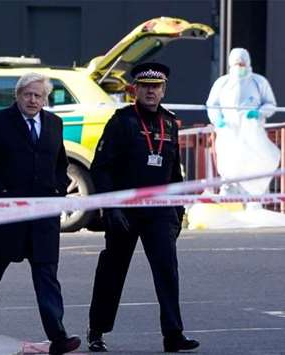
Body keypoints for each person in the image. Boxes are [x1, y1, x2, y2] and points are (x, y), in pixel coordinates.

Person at [0, 72, 80, 355]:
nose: (33, 100)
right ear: (18, 95)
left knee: (47, 274)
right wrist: (0, 195)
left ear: (45, 98)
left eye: (38, 95)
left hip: (44, 216)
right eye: (28, 94)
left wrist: (59, 190)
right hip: (8, 211)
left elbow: (60, 164)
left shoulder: (54, 123)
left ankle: (58, 335)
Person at [86, 62, 199, 352]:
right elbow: (101, 168)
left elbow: (174, 172)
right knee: (113, 270)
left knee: (167, 271)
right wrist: (110, 208)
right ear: (135, 89)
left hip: (160, 211)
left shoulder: (171, 123)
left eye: (156, 86)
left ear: (163, 90)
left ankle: (173, 335)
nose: (151, 91)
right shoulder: (122, 121)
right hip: (124, 209)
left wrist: (178, 212)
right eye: (145, 86)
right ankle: (97, 331)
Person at [206, 48, 279, 197]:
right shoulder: (222, 83)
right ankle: (229, 203)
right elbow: (212, 105)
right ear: (231, 65)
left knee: (256, 165)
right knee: (229, 166)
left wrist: (258, 113)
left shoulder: (259, 82)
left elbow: (270, 104)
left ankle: (255, 201)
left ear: (248, 63)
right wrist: (218, 120)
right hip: (228, 134)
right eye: (236, 64)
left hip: (253, 135)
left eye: (242, 63)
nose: (240, 67)